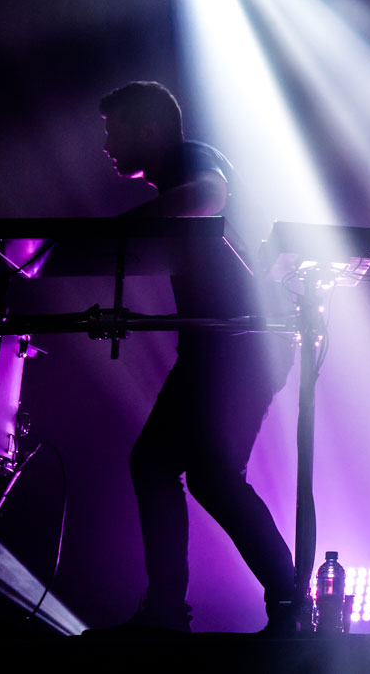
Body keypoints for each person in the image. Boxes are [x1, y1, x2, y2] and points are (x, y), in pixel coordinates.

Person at [98, 81, 295, 633]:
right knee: (172, 468)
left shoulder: (192, 158)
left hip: (242, 344)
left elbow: (208, 194)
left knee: (202, 473)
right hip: (218, 345)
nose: (107, 146)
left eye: (114, 132)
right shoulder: (171, 172)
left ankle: (287, 601)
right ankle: (176, 609)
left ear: (149, 129)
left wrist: (122, 230)